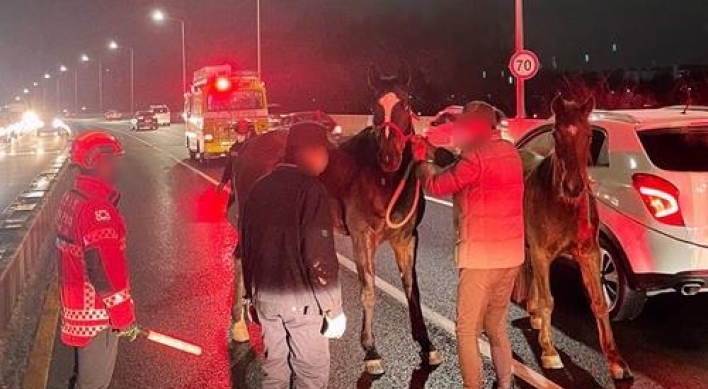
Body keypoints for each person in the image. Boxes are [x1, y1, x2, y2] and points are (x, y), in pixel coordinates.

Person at [411, 101, 524, 389]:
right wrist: (439, 153)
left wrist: (422, 161)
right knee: (496, 325)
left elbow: (437, 185)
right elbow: (462, 168)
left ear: (475, 126)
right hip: (510, 257)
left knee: (466, 331)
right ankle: (505, 381)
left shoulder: (475, 157)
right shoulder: (511, 152)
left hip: (480, 260)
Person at [240, 122, 346, 389]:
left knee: (274, 371)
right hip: (301, 302)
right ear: (309, 151)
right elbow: (318, 254)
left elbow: (247, 245)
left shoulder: (259, 188)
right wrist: (333, 308)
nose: (326, 158)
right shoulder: (311, 190)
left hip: (265, 298)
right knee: (310, 374)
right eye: (324, 151)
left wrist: (250, 296)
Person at [55, 131, 139, 389]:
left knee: (84, 378)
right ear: (96, 161)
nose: (118, 166)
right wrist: (123, 316)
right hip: (97, 317)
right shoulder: (96, 209)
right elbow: (102, 269)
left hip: (76, 309)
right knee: (93, 384)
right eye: (113, 159)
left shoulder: (72, 198)